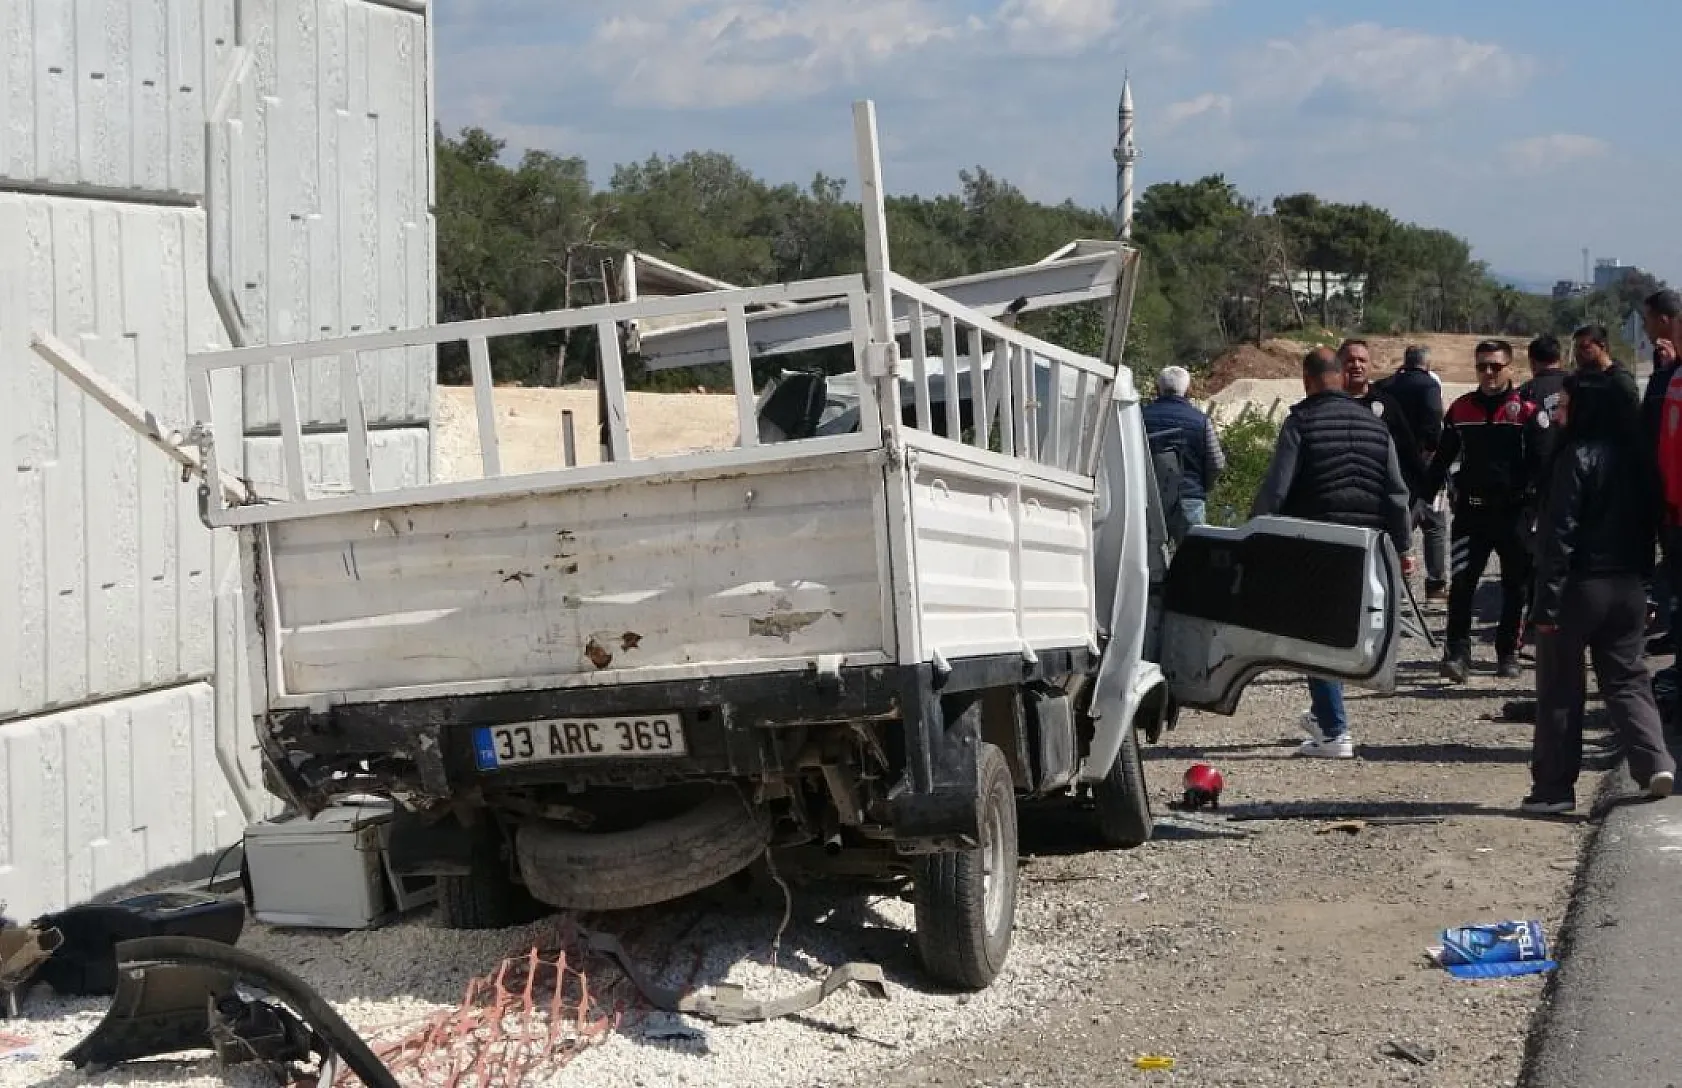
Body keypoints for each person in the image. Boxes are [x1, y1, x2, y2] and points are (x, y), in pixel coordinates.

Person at [1251, 346, 1415, 759]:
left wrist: (1254, 532)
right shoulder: (1376, 426)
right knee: (1346, 627)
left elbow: (1276, 488)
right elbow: (1397, 493)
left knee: (1314, 634)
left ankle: (1333, 729)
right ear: (1342, 377)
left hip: (1317, 542)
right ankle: (1327, 715)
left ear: (1307, 380)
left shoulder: (1301, 422)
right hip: (1367, 543)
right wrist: (1403, 548)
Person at [1527, 371, 1675, 813]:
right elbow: (1655, 529)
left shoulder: (1575, 456)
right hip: (1628, 586)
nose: (1560, 413)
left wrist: (1545, 602)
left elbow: (1560, 535)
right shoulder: (1640, 458)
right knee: (1628, 678)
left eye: (1567, 404)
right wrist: (1650, 589)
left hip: (1579, 587)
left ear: (1587, 408)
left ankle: (1553, 790)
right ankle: (1655, 762)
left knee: (1560, 688)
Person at [1424, 339, 1547, 683]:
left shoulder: (1527, 412)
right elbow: (1440, 461)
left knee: (1515, 587)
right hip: (1470, 516)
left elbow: (1544, 465)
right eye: (1482, 366)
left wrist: (1540, 511)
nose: (1489, 373)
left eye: (1495, 366)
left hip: (1515, 516)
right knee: (1462, 585)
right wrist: (1420, 499)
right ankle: (1458, 654)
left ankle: (1507, 652)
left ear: (1511, 368)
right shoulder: (1461, 410)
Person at [1376, 345, 1448, 600]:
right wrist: (1432, 457)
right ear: (1426, 364)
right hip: (1423, 466)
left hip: (1391, 464)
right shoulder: (1428, 385)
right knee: (1434, 524)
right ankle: (1436, 585)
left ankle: (1398, 584)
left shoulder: (1384, 385)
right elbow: (1433, 426)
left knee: (1397, 521)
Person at [1141, 365, 1225, 534]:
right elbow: (1217, 463)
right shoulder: (1201, 421)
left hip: (1149, 498)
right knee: (1191, 557)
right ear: (1188, 390)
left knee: (1146, 555)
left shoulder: (1141, 416)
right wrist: (1202, 486)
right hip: (1190, 498)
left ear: (1157, 389)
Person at [1341, 339, 1427, 499]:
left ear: (1370, 365)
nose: (1356, 365)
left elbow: (1408, 453)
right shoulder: (1327, 405)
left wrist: (1419, 494)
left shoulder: (1388, 405)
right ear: (1338, 366)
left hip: (1379, 498)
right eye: (1350, 360)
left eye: (1362, 360)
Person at [1572, 324, 1641, 405]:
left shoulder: (1620, 380)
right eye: (1577, 348)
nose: (1579, 353)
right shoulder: (1580, 380)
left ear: (1602, 346)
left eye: (1585, 347)